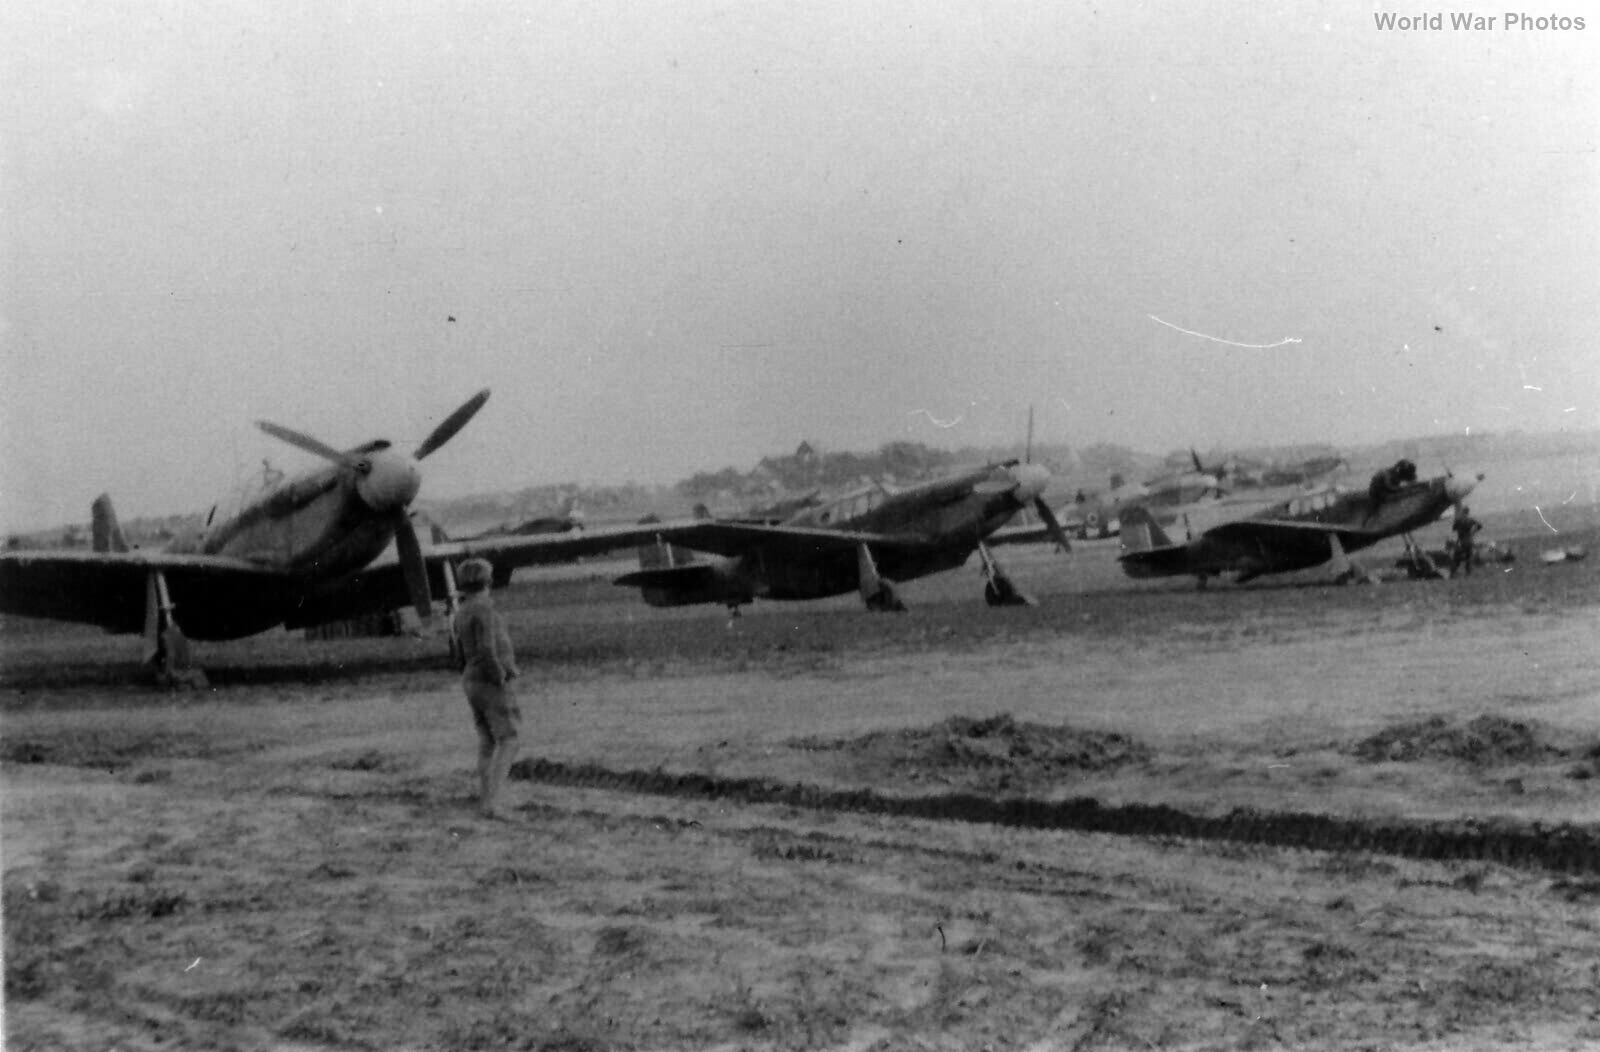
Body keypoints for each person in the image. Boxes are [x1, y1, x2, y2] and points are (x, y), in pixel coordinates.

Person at [452, 557, 522, 818]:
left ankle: (485, 797)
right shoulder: (486, 609)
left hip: (470, 680)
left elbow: (460, 654)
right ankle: (493, 802)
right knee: (510, 740)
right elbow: (486, 648)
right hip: (489, 681)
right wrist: (501, 675)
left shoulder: (461, 612)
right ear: (489, 581)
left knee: (487, 741)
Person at [1451, 505, 1483, 576]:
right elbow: (1480, 525)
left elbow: (1453, 529)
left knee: (1456, 557)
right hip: (1469, 540)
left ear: (1462, 512)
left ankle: (1453, 572)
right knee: (1469, 557)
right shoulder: (1470, 520)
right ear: (1468, 512)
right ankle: (1468, 572)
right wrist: (1473, 532)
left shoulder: (1459, 520)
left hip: (1461, 541)